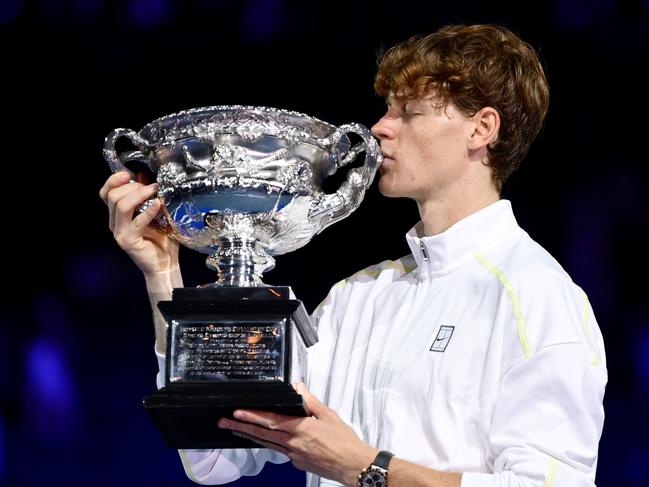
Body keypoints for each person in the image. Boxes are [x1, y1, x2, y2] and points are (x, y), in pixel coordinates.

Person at [100, 24, 607, 487]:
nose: (381, 128)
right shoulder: (355, 299)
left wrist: (365, 467)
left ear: (481, 129)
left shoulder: (538, 297)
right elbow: (215, 456)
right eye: (386, 109)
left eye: (407, 112)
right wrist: (163, 274)